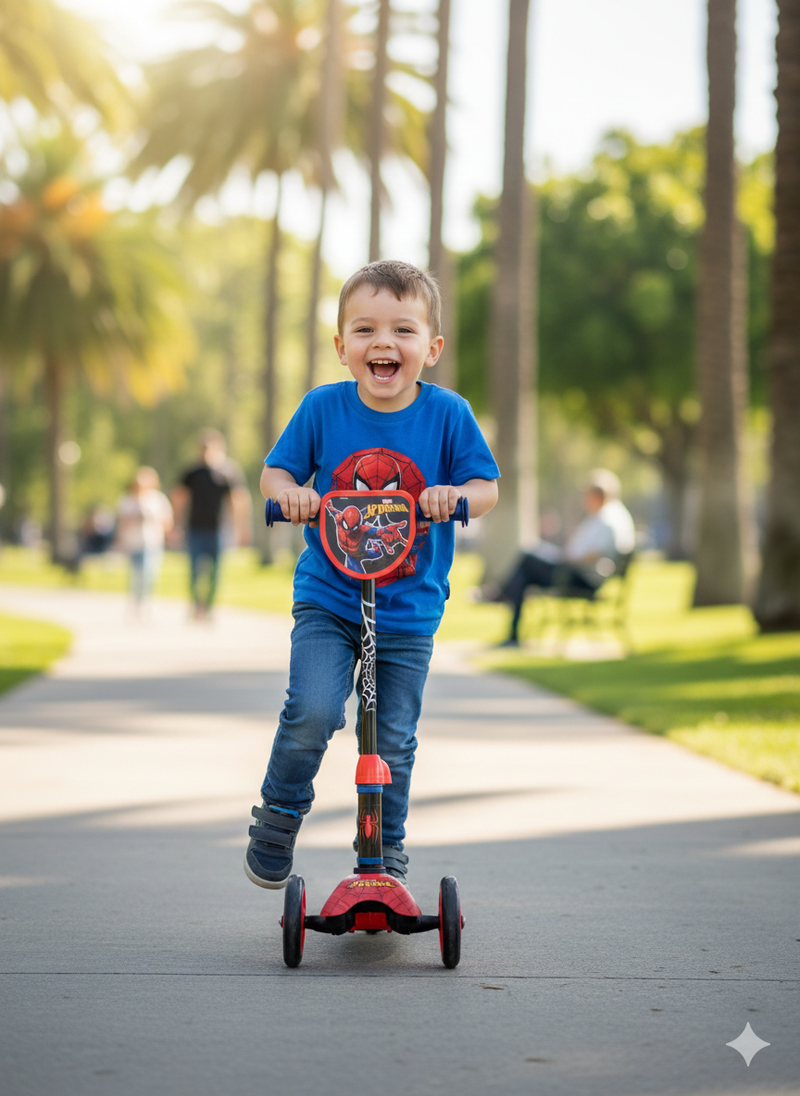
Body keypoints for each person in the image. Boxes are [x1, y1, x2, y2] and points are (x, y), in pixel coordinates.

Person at [244, 259, 499, 890]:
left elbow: (487, 487)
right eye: (364, 330)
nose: (383, 343)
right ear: (341, 347)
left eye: (403, 331)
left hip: (409, 607)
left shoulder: (448, 415)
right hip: (331, 596)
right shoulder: (322, 408)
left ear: (431, 348)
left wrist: (451, 495)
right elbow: (275, 475)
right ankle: (278, 813)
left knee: (392, 739)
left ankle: (384, 852)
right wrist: (291, 495)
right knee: (314, 708)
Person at [490, 468, 635, 647]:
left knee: (528, 558)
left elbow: (592, 555)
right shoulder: (607, 517)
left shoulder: (608, 520)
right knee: (525, 571)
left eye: (587, 495)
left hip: (576, 577)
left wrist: (568, 559)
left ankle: (502, 597)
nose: (585, 500)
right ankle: (509, 620)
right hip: (573, 571)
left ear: (598, 496)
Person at [171, 430, 252, 620]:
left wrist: (241, 527)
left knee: (216, 573)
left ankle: (208, 608)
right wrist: (176, 524)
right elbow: (179, 498)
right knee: (193, 571)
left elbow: (238, 500)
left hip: (219, 530)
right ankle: (195, 605)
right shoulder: (192, 472)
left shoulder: (228, 472)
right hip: (195, 528)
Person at [116, 467, 173, 613]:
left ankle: (146, 602)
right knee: (135, 575)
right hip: (133, 542)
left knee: (148, 573)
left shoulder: (157, 499)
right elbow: (122, 522)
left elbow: (167, 521)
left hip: (152, 541)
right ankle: (135, 603)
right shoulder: (128, 500)